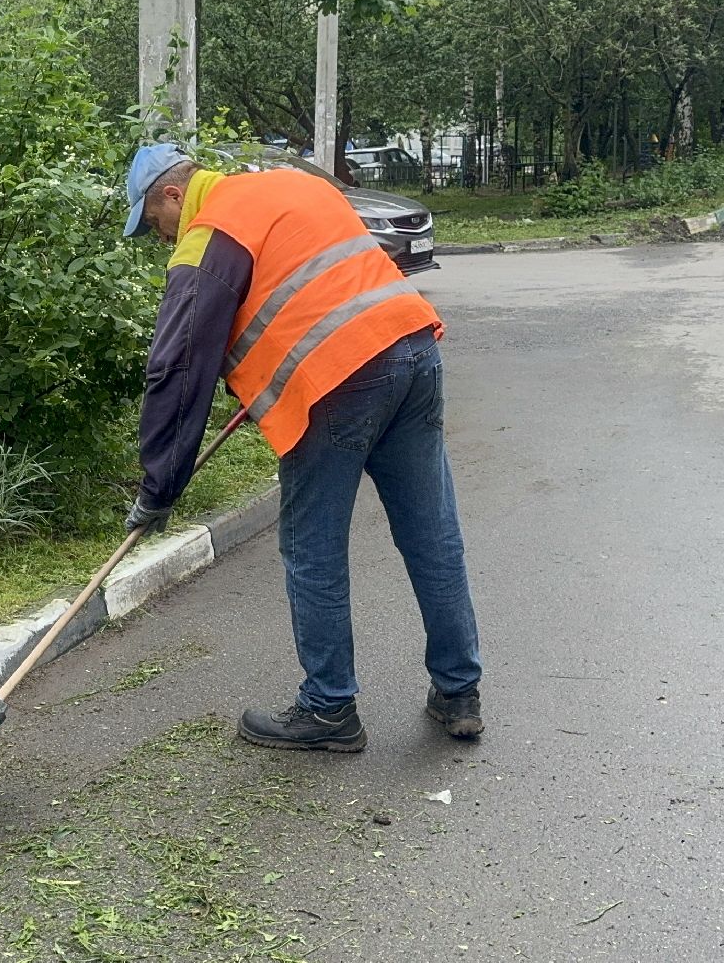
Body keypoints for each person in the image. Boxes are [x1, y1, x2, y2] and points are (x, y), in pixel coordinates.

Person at [121, 143, 484, 752]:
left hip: (336, 382)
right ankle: (459, 692)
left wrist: (159, 486)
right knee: (431, 533)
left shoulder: (209, 233)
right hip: (411, 347)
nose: (159, 236)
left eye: (153, 221)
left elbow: (177, 367)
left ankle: (329, 708)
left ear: (175, 195)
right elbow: (319, 278)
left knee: (313, 549)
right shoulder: (291, 184)